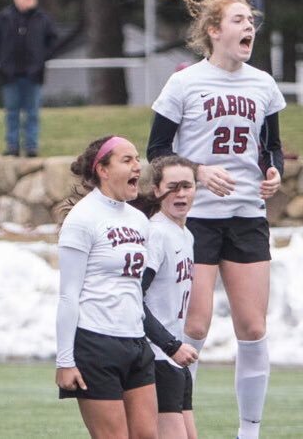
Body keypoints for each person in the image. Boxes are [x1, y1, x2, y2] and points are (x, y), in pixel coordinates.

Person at [147, 0, 285, 439]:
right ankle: (183, 424)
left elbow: (271, 146)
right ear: (213, 30)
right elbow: (157, 152)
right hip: (197, 221)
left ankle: (250, 432)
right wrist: (199, 172)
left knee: (252, 327)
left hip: (247, 215)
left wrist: (274, 173)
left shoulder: (263, 84)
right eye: (239, 20)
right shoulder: (185, 83)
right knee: (197, 325)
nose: (249, 27)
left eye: (251, 22)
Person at [54, 136, 157, 439]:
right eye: (127, 160)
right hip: (96, 343)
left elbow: (136, 288)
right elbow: (68, 294)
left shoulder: (139, 220)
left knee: (148, 435)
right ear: (103, 169)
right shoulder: (82, 219)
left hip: (136, 343)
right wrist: (64, 360)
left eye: (137, 159)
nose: (137, 166)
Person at [129, 156, 202, 439]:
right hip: (157, 356)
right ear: (157, 189)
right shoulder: (156, 234)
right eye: (173, 187)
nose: (181, 194)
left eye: (187, 186)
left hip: (174, 356)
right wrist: (170, 345)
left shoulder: (185, 235)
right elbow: (134, 297)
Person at [0, 0, 58, 158]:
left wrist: (41, 60)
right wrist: (2, 62)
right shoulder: (4, 17)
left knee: (32, 113)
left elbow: (53, 42)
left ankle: (31, 146)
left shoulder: (42, 18)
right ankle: (12, 146)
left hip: (33, 74)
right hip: (10, 74)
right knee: (12, 112)